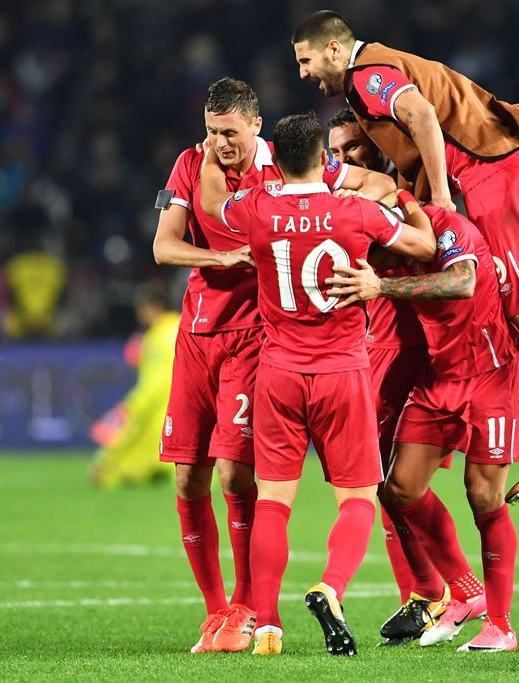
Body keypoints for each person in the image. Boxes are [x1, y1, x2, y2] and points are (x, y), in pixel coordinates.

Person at [291, 11, 519, 502]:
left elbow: (423, 115)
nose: (303, 73)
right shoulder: (387, 72)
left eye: (306, 60)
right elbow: (463, 111)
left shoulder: (365, 76)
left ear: (334, 48)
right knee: (510, 304)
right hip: (503, 169)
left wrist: (441, 195)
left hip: (491, 180)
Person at [152, 77, 396, 655]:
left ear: (255, 126)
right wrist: (219, 256)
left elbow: (373, 183)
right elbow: (164, 245)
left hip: (257, 340)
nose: (220, 144)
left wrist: (366, 201)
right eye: (213, 133)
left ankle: (246, 608)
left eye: (230, 133)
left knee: (238, 476)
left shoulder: (282, 171)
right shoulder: (190, 162)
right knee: (187, 477)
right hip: (197, 333)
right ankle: (216, 612)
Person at [200, 112, 436, 656]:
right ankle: (331, 588)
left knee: (274, 505)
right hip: (343, 372)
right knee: (357, 499)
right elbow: (423, 249)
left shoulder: (257, 208)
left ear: (274, 159)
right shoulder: (356, 211)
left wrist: (213, 155)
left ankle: (267, 626)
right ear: (324, 160)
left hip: (278, 373)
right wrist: (410, 207)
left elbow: (214, 203)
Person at [327, 191, 519, 652]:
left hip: (494, 373)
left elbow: (460, 283)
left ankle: (500, 624)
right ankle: (464, 591)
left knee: (482, 494)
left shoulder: (445, 227)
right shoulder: (382, 255)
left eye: (370, 248)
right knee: (399, 487)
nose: (367, 260)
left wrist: (383, 288)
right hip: (442, 376)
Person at [327, 109, 449, 645]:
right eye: (334, 152)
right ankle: (424, 595)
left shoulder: (398, 196)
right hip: (378, 345)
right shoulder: (349, 200)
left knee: (391, 482)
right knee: (387, 484)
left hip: (412, 349)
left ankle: (436, 594)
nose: (343, 160)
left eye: (352, 147)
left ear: (376, 145)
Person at [89, 283, 178, 488]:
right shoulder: (183, 326)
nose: (139, 314)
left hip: (159, 417)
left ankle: (108, 470)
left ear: (153, 308)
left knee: (127, 467)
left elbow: (155, 385)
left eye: (142, 308)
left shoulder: (159, 336)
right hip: (187, 417)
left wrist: (132, 406)